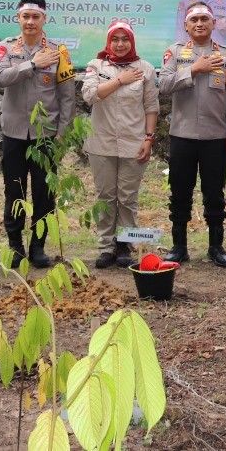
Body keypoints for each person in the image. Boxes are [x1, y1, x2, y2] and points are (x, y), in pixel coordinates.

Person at [0, 0, 77, 268]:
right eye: (25, 16)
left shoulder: (59, 52)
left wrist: (63, 132)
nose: (30, 22)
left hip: (46, 136)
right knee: (14, 192)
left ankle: (38, 246)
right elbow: (0, 77)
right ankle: (15, 246)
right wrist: (32, 64)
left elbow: (67, 97)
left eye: (35, 17)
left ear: (44, 19)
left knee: (43, 193)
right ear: (18, 18)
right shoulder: (5, 49)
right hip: (14, 135)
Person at [158, 3, 226, 267]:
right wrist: (194, 69)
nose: (199, 24)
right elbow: (163, 85)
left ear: (214, 23)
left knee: (214, 193)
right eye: (193, 19)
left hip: (215, 137)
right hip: (182, 135)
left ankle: (215, 247)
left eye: (204, 19)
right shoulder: (174, 52)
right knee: (180, 191)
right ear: (186, 25)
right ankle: (179, 247)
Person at [81, 20, 160, 269]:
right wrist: (120, 80)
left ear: (132, 41)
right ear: (108, 41)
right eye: (115, 39)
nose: (120, 44)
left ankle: (125, 244)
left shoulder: (145, 68)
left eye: (125, 39)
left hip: (134, 142)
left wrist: (149, 139)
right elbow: (90, 95)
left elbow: (151, 107)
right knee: (105, 196)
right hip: (101, 142)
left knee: (127, 197)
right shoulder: (96, 65)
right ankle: (106, 246)